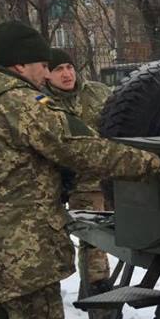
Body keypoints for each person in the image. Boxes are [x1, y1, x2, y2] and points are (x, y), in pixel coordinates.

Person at [0, 21, 160, 319]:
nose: (47, 74)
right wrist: (155, 164)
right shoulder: (24, 105)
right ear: (20, 65)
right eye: (43, 65)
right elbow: (82, 148)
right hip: (23, 258)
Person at [44, 48, 115, 296]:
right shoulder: (42, 102)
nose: (66, 74)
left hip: (113, 173)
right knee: (93, 239)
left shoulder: (96, 92)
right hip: (80, 183)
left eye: (69, 67)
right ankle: (98, 289)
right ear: (47, 74)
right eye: (58, 69)